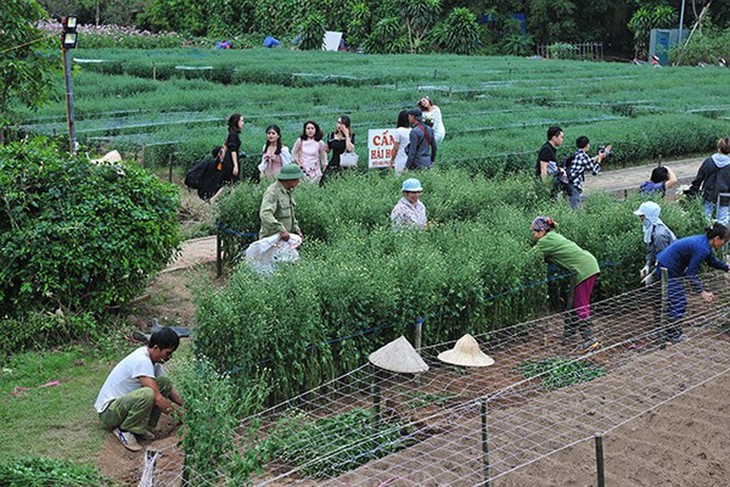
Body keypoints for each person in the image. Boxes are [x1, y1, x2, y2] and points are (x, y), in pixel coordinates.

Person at [94, 328, 184, 452]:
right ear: (156, 348)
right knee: (148, 393)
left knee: (164, 383)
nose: (170, 357)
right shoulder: (141, 360)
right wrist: (180, 416)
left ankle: (141, 428)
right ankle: (124, 431)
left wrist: (188, 406)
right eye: (168, 353)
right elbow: (158, 399)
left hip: (122, 404)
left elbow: (169, 389)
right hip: (109, 411)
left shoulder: (155, 362)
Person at [530, 216, 600, 353]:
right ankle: (569, 334)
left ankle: (590, 339)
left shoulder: (546, 241)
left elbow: (528, 258)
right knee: (575, 302)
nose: (533, 235)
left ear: (542, 231)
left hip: (584, 270)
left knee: (580, 304)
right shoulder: (554, 236)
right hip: (588, 265)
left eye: (534, 232)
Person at [654, 223, 730, 343]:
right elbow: (691, 273)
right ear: (716, 239)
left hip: (667, 265)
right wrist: (702, 292)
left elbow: (711, 261)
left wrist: (727, 267)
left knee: (669, 301)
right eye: (724, 242)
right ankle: (672, 335)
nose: (723, 245)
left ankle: (662, 332)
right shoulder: (702, 248)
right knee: (678, 303)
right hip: (668, 269)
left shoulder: (704, 243)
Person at [687, 137, 730, 223]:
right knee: (722, 223)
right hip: (725, 197)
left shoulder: (708, 161)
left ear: (718, 148)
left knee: (705, 220)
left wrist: (693, 190)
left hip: (708, 194)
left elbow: (699, 178)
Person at [633, 201, 676, 285]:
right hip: (669, 266)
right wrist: (647, 265)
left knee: (672, 294)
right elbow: (652, 249)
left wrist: (652, 276)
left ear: (649, 216)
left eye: (642, 216)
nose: (641, 219)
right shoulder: (652, 229)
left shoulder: (659, 235)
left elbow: (665, 260)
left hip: (674, 267)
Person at [259, 163, 304, 240]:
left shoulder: (288, 191)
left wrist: (296, 228)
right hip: (272, 239)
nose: (298, 182)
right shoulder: (272, 192)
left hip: (285, 238)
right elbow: (265, 214)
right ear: (290, 179)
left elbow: (291, 214)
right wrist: (280, 229)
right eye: (297, 179)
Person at [565, 136, 611, 208]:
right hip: (574, 185)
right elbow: (594, 172)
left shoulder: (576, 154)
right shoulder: (583, 156)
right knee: (575, 208)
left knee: (571, 204)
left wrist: (599, 156)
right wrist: (599, 160)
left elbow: (588, 162)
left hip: (568, 183)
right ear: (587, 145)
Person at [321, 115, 355, 185]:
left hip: (345, 164)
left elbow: (349, 149)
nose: (340, 126)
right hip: (334, 163)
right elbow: (328, 150)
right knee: (326, 183)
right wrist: (326, 148)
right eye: (338, 123)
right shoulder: (331, 135)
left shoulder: (351, 136)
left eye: (342, 124)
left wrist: (347, 136)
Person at [389, 110, 411, 175]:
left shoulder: (399, 131)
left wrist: (392, 160)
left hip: (401, 158)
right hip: (410, 159)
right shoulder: (412, 130)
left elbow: (395, 148)